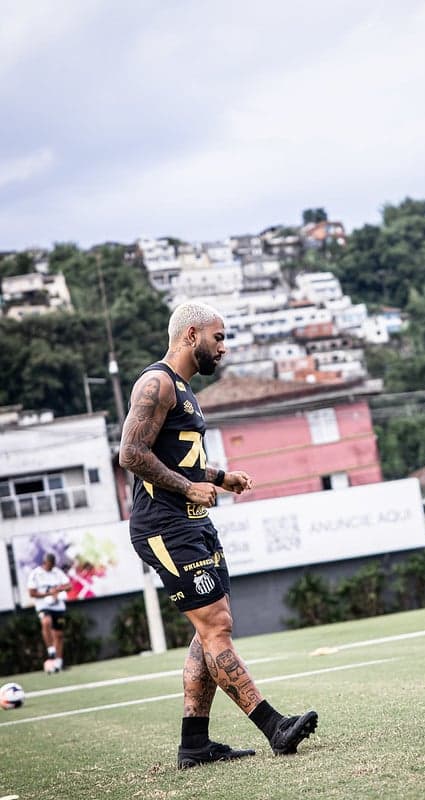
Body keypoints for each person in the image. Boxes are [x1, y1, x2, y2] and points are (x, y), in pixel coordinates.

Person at [119, 301, 318, 769]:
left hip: (191, 521)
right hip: (164, 526)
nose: (223, 348)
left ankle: (195, 745)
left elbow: (177, 459)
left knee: (209, 629)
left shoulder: (183, 389)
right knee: (216, 627)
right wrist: (189, 486)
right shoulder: (157, 383)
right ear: (191, 335)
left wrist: (219, 476)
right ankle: (275, 726)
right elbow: (130, 452)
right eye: (219, 337)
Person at [27, 553, 72, 672]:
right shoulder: (36, 574)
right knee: (46, 622)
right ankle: (51, 650)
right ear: (45, 562)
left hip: (58, 606)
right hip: (43, 605)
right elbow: (32, 593)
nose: (51, 566)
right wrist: (48, 594)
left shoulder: (57, 572)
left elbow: (68, 586)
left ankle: (58, 663)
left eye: (53, 564)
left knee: (59, 634)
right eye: (49, 564)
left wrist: (58, 590)